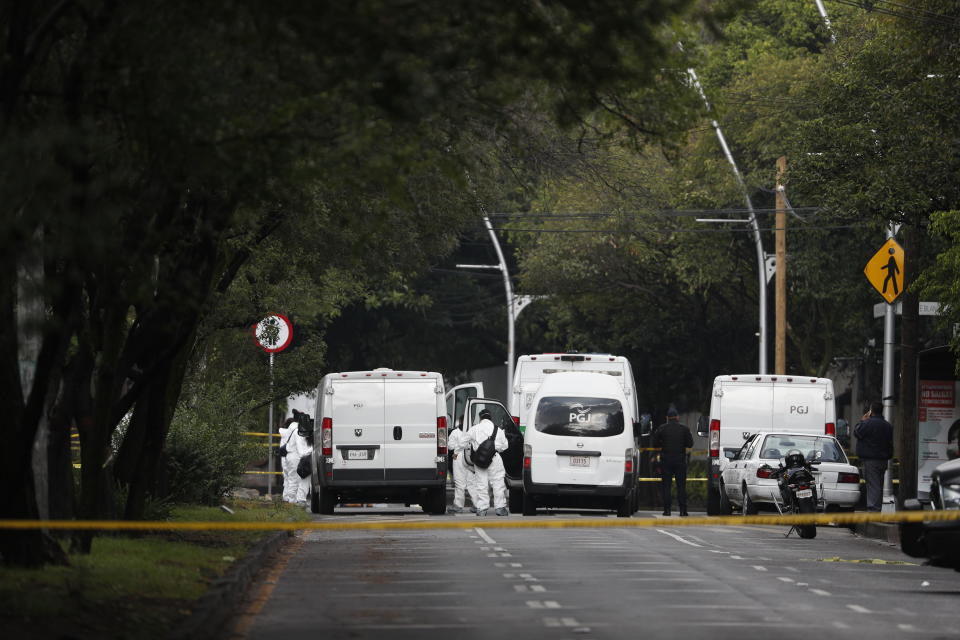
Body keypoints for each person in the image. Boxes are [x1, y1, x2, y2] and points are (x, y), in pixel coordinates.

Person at [854, 401, 894, 512]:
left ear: (871, 411)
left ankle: (873, 509)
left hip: (871, 460)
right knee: (879, 485)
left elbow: (857, 432)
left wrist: (862, 420)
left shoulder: (867, 423)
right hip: (883, 460)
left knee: (873, 485)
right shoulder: (887, 425)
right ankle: (877, 508)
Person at [468, 409, 509, 516]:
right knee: (497, 483)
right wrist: (495, 447)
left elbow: (463, 441)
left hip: (480, 460)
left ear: (480, 418)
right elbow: (505, 446)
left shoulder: (474, 429)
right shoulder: (498, 430)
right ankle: (500, 508)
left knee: (481, 484)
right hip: (494, 459)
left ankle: (482, 509)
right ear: (490, 417)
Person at [653, 408, 693, 516]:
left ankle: (667, 510)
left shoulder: (662, 428)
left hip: (666, 460)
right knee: (681, 486)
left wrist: (663, 442)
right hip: (680, 460)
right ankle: (683, 511)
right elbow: (690, 444)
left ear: (667, 418)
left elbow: (655, 444)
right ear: (677, 417)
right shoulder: (684, 429)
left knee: (666, 486)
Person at [447, 418, 479, 513]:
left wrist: (458, 446)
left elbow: (450, 446)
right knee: (471, 483)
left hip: (458, 457)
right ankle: (477, 505)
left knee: (459, 483)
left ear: (460, 422)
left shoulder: (455, 433)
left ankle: (458, 505)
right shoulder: (472, 431)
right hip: (469, 457)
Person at [286, 411, 314, 506]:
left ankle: (294, 500)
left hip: (297, 458)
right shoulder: (299, 433)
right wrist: (312, 450)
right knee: (301, 479)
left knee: (294, 479)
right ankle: (297, 500)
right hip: (300, 458)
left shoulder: (297, 430)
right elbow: (302, 451)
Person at [278, 417, 297, 503]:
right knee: (293, 479)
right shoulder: (293, 433)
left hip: (284, 459)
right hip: (292, 457)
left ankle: (285, 497)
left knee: (286, 479)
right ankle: (291, 499)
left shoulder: (283, 434)